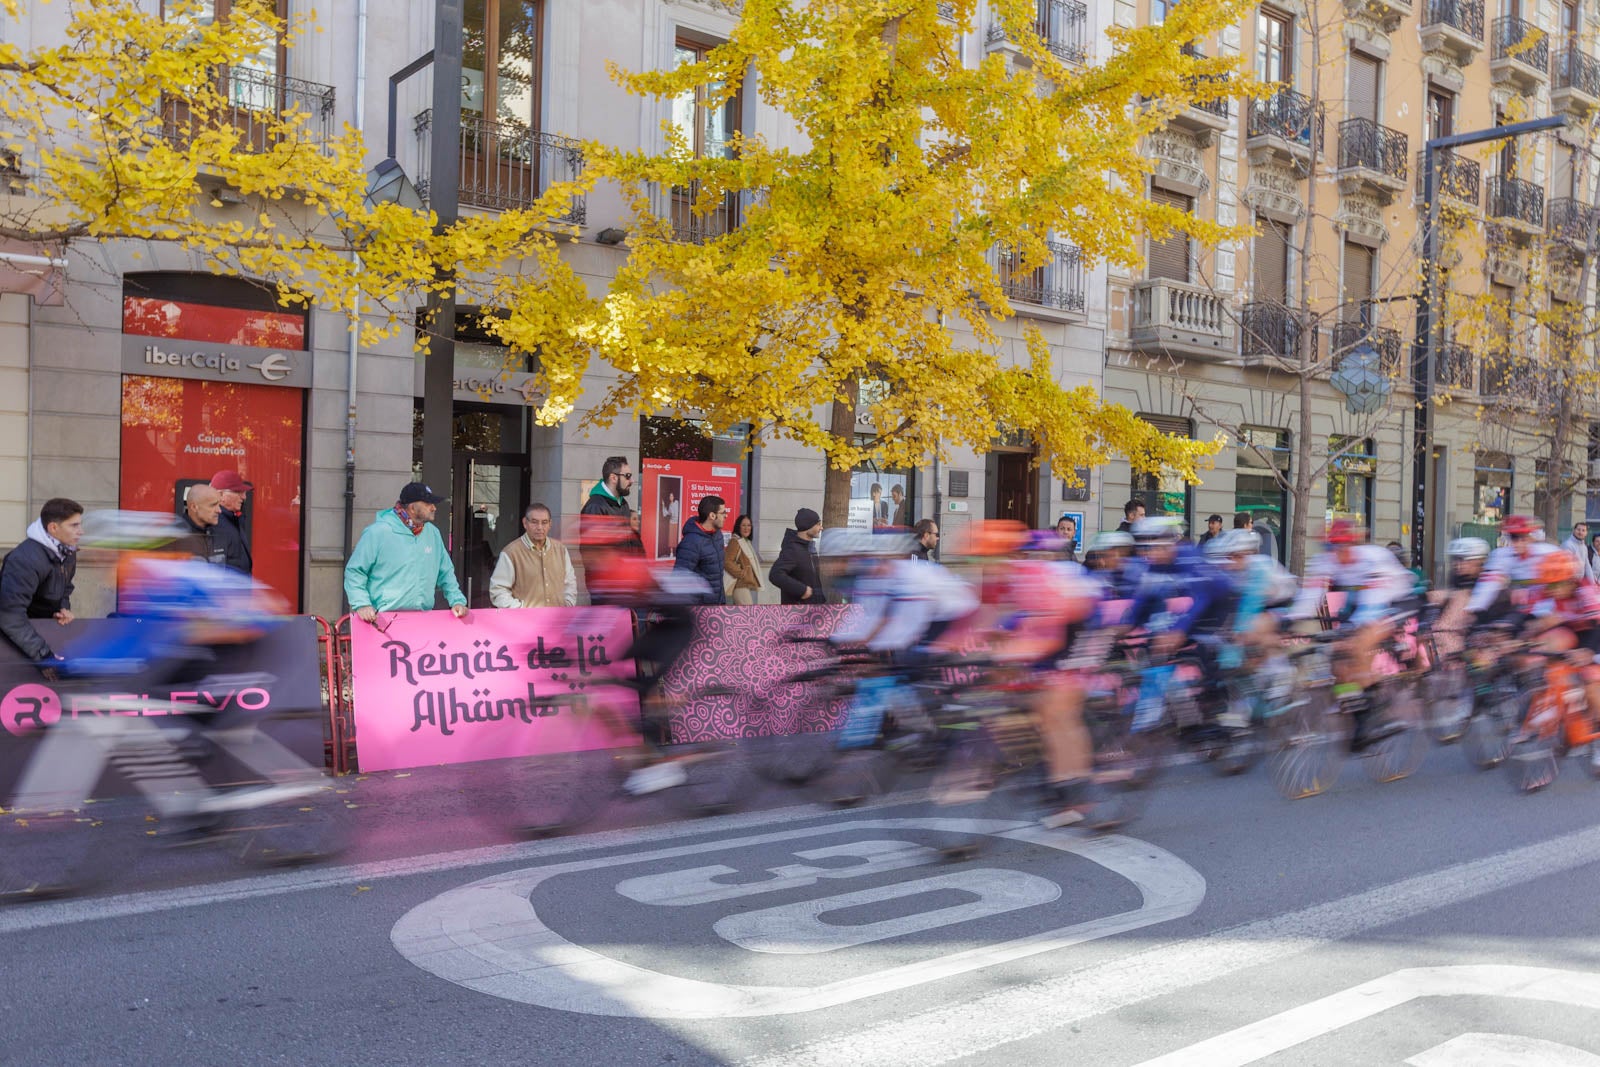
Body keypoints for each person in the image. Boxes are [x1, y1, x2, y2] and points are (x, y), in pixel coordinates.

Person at [344, 482, 467, 622]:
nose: (434, 508)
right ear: (412, 508)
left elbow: (446, 572)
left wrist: (457, 601)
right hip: (382, 620)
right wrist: (362, 604)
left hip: (422, 619)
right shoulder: (378, 532)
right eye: (428, 504)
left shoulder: (432, 533)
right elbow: (355, 571)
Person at [0, 498, 81, 669]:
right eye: (74, 525)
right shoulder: (24, 560)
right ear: (53, 528)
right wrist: (44, 657)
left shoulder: (68, 552)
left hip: (37, 640)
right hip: (16, 650)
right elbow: (9, 615)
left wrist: (62, 609)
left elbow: (65, 588)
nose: (81, 531)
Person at [489, 503, 577, 609]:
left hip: (557, 620)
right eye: (534, 522)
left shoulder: (561, 550)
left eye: (544, 522)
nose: (540, 527)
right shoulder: (511, 553)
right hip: (526, 622)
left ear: (550, 524)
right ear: (525, 523)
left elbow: (570, 583)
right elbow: (498, 590)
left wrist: (568, 604)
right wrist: (520, 608)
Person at [673, 494, 727, 604]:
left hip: (717, 605)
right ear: (712, 515)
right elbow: (679, 578)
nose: (726, 516)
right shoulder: (691, 542)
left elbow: (716, 577)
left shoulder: (718, 535)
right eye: (723, 513)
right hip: (699, 609)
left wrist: (721, 601)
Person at [770, 507, 827, 604]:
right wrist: (802, 590)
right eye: (818, 524)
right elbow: (775, 574)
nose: (821, 528)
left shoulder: (810, 549)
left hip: (813, 610)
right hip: (797, 612)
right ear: (808, 526)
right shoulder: (792, 550)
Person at [210, 470, 253, 575]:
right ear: (220, 495)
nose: (244, 497)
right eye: (238, 492)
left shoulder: (234, 520)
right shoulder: (214, 523)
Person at [178, 484, 227, 567]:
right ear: (194, 507)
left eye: (219, 505)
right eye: (213, 505)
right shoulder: (174, 537)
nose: (219, 510)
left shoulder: (222, 533)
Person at [723, 513, 764, 605]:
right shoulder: (735, 541)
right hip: (739, 584)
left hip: (743, 584)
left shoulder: (745, 542)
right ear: (739, 527)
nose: (746, 528)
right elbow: (727, 562)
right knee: (748, 613)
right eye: (743, 525)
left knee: (742, 614)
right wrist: (742, 574)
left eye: (749, 525)